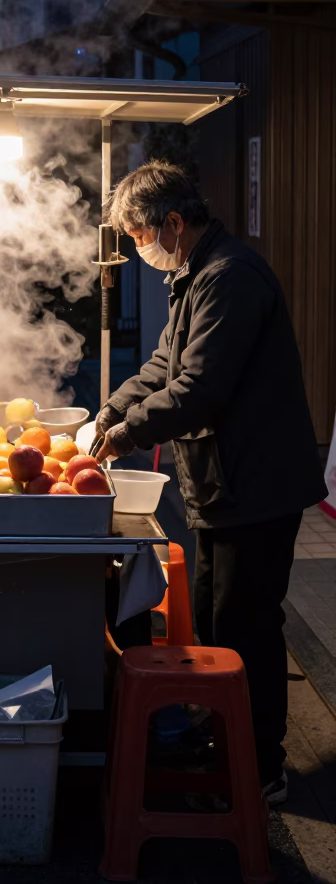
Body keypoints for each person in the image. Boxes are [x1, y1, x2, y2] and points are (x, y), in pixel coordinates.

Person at [95, 161, 326, 806]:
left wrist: (125, 434)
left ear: (172, 222)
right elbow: (164, 365)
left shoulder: (229, 277)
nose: (139, 249)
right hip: (222, 484)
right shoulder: (194, 276)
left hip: (256, 481)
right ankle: (223, 738)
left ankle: (262, 767)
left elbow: (199, 388)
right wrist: (112, 410)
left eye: (139, 235)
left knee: (247, 623)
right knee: (217, 626)